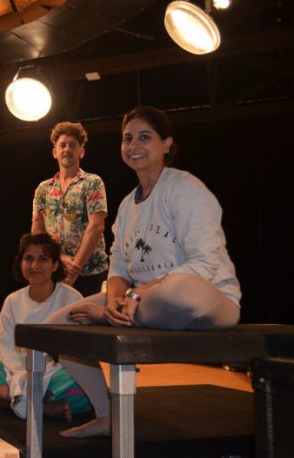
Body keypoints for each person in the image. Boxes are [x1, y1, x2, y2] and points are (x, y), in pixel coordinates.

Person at [44, 106, 241, 437]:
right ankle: (106, 415)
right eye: (127, 138)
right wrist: (116, 298)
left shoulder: (184, 188)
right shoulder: (125, 205)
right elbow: (119, 264)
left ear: (167, 143)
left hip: (207, 299)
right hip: (146, 304)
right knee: (55, 325)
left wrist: (132, 295)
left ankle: (114, 315)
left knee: (178, 292)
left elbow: (204, 263)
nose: (134, 144)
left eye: (145, 137)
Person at [0, 233, 93, 421]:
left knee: (84, 386)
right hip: (17, 369)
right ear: (20, 263)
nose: (35, 266)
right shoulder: (12, 301)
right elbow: (7, 348)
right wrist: (22, 377)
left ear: (54, 265)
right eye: (29, 259)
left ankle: (16, 400)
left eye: (43, 259)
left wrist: (32, 383)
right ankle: (43, 408)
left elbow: (78, 351)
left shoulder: (72, 299)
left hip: (56, 374)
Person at [32, 121, 108, 296]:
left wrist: (75, 268)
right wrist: (59, 257)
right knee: (57, 320)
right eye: (62, 145)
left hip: (90, 271)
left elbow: (96, 226)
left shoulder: (92, 182)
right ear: (54, 152)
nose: (67, 149)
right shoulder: (43, 189)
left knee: (87, 321)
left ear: (81, 151)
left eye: (72, 145)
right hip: (55, 269)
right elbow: (37, 231)